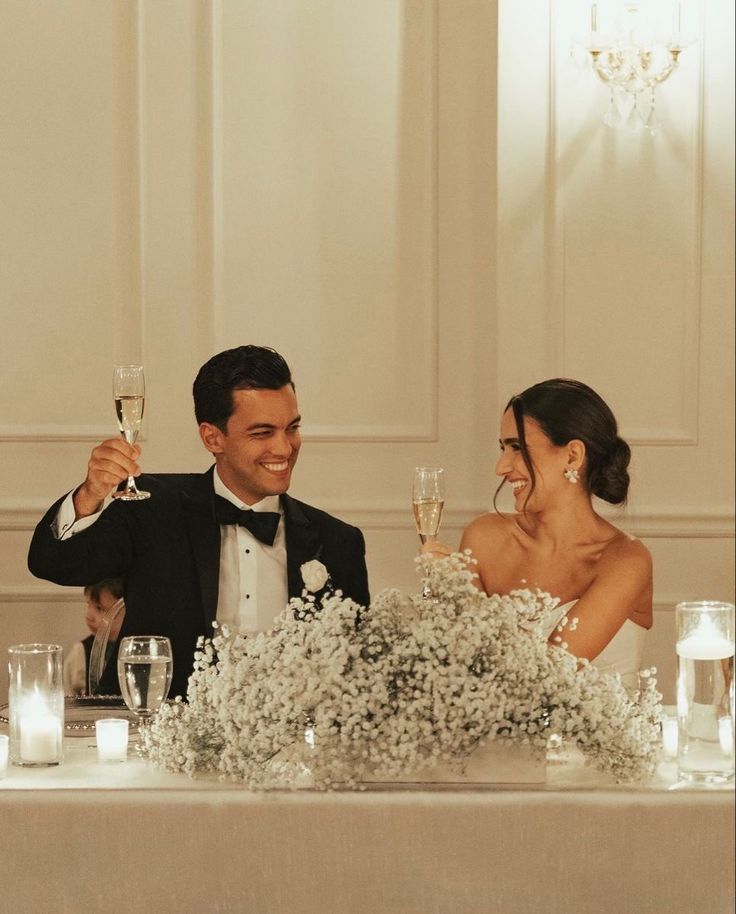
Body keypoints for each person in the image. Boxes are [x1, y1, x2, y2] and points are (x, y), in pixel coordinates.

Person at [29, 345, 370, 699]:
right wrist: (90, 494)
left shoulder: (337, 542)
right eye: (262, 433)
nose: (284, 448)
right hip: (159, 740)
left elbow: (358, 675)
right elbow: (52, 562)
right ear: (213, 437)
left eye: (292, 428)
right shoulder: (152, 509)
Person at [427, 378, 652, 689]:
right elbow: (464, 673)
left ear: (572, 456)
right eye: (502, 448)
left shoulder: (625, 560)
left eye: (517, 447)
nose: (501, 467)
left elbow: (547, 677)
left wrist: (470, 604)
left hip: (603, 735)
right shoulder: (485, 536)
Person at [63, 577, 125, 696]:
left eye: (99, 608)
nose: (89, 616)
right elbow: (66, 694)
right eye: (88, 605)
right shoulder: (80, 652)